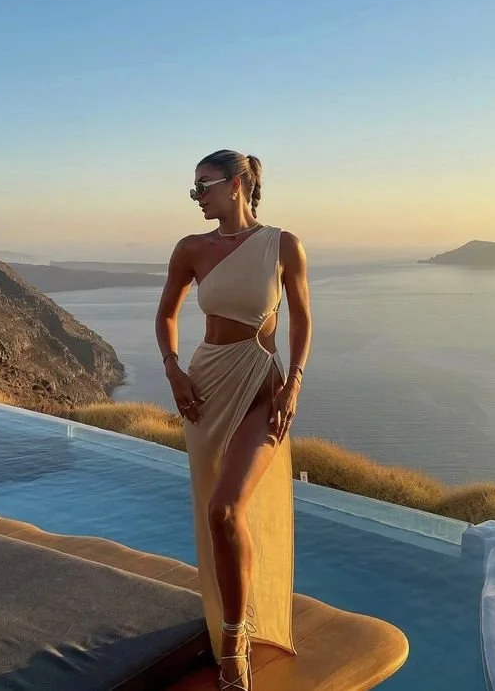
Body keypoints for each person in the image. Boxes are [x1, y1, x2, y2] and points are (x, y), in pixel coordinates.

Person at [155, 149, 312, 690]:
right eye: (193, 188)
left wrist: (294, 383)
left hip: (260, 389)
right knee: (213, 513)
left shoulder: (282, 246)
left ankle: (234, 641)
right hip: (203, 388)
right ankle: (230, 619)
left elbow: (302, 320)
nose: (197, 196)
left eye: (205, 185)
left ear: (238, 185)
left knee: (225, 509)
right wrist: (173, 370)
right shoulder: (191, 249)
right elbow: (167, 315)